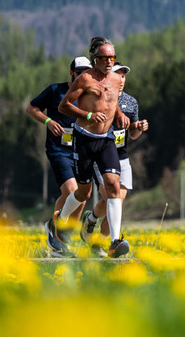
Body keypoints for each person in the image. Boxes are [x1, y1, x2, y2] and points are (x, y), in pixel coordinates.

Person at [58, 37, 132, 257]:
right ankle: (59, 222)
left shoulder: (117, 79)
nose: (109, 62)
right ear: (94, 59)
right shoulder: (84, 79)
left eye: (112, 57)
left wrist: (119, 115)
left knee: (113, 187)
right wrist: (87, 115)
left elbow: (112, 100)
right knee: (84, 192)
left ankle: (115, 241)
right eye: (104, 58)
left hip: (107, 140)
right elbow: (64, 107)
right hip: (84, 139)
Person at [80, 63, 148, 255]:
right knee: (112, 197)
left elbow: (132, 134)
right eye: (118, 75)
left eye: (124, 76)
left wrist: (139, 128)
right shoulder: (99, 97)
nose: (122, 79)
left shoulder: (131, 102)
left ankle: (97, 239)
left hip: (122, 157)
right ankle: (101, 231)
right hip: (100, 154)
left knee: (117, 201)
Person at [28, 56, 92, 257]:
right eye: (79, 72)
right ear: (71, 73)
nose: (83, 76)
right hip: (58, 149)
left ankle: (59, 240)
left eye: (87, 73)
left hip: (80, 150)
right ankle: (56, 231)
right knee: (72, 190)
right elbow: (32, 108)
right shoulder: (56, 90)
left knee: (80, 197)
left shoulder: (89, 95)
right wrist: (48, 121)